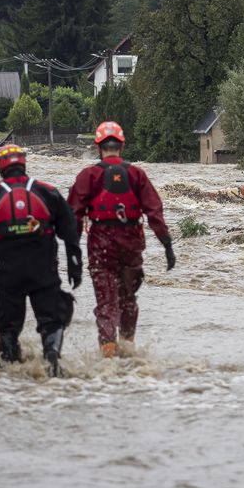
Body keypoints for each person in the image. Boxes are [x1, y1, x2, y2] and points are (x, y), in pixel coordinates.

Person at [0, 145, 81, 376]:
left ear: (0, 167)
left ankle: (10, 372)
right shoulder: (48, 192)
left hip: (9, 276)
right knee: (53, 322)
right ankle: (52, 357)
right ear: (24, 164)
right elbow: (70, 233)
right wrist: (75, 266)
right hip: (44, 272)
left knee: (7, 326)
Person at [68, 121, 174, 359]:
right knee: (128, 299)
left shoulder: (89, 175)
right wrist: (167, 244)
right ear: (121, 146)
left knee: (106, 301)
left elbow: (73, 214)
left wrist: (72, 251)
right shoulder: (137, 174)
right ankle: (128, 349)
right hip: (131, 244)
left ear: (99, 147)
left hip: (101, 244)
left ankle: (108, 357)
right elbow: (154, 210)